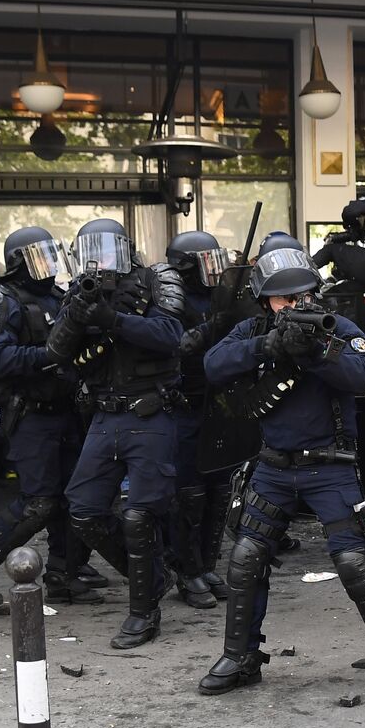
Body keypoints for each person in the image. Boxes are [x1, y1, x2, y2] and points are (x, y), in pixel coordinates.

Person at [198, 247, 365, 699]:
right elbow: (213, 365)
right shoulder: (253, 329)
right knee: (244, 558)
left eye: (302, 295)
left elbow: (364, 375)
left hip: (330, 467)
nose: (294, 304)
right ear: (265, 302)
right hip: (274, 468)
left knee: (354, 562)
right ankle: (241, 656)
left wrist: (317, 351)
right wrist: (269, 345)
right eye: (283, 299)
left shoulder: (336, 327)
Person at [47, 218, 186, 649]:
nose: (103, 260)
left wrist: (114, 319)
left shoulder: (156, 279)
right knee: (84, 509)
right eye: (93, 250)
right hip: (105, 416)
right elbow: (56, 351)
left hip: (150, 410)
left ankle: (143, 612)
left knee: (140, 514)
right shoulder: (78, 290)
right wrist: (78, 313)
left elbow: (170, 336)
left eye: (109, 250)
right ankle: (152, 578)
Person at [0, 227, 105, 608]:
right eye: (39, 259)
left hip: (67, 410)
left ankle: (64, 573)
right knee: (39, 501)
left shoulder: (57, 295)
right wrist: (48, 356)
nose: (48, 267)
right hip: (31, 414)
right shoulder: (1, 297)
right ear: (18, 262)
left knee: (74, 497)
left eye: (52, 257)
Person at [166, 230, 234, 609]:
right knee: (188, 494)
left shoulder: (219, 296)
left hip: (220, 403)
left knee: (219, 489)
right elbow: (174, 345)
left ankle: (207, 565)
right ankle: (187, 569)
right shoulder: (170, 299)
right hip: (186, 402)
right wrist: (214, 325)